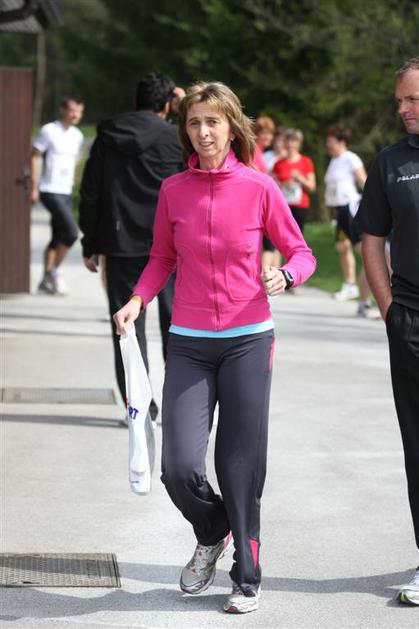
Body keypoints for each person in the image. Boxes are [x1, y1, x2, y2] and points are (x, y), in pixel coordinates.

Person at [113, 81, 316, 614]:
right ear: (185, 129)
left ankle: (247, 576)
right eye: (194, 122)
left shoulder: (259, 187)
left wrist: (286, 275)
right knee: (178, 465)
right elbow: (162, 257)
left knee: (239, 462)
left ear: (231, 128)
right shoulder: (173, 190)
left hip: (249, 339)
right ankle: (213, 528)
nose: (203, 132)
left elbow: (302, 252)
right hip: (189, 341)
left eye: (213, 122)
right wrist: (137, 299)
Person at [78, 72, 184, 420]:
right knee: (177, 324)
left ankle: (139, 406)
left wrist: (90, 242)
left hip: (121, 242)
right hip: (171, 246)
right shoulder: (175, 138)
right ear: (167, 105)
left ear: (135, 101)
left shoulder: (109, 135)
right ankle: (181, 404)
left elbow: (91, 190)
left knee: (127, 325)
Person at [354, 57, 419, 605]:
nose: (402, 109)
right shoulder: (390, 162)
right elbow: (371, 237)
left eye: (413, 99)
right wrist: (389, 308)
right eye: (399, 100)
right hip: (412, 317)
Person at [31, 95, 84, 295]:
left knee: (57, 236)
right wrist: (34, 187)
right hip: (49, 188)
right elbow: (34, 156)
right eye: (72, 110)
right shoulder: (49, 130)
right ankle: (54, 272)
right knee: (71, 232)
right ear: (62, 110)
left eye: (79, 111)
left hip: (66, 190)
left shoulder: (77, 135)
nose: (76, 115)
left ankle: (45, 280)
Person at [324, 124, 376, 317]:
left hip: (351, 208)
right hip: (339, 212)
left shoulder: (350, 158)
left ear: (341, 142)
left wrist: (375, 204)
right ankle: (351, 285)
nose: (328, 145)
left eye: (331, 141)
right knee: (343, 248)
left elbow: (364, 181)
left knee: (367, 253)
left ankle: (366, 298)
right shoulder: (334, 161)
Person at [273, 128, 316, 234]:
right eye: (288, 141)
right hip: (283, 206)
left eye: (294, 141)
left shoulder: (306, 161)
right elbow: (273, 186)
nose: (290, 144)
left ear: (299, 144)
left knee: (297, 235)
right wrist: (283, 184)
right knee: (283, 235)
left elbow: (312, 187)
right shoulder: (278, 163)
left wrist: (300, 178)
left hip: (300, 206)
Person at [251, 116, 281, 267]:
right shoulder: (252, 151)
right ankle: (266, 277)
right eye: (264, 133)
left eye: (271, 133)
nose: (268, 137)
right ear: (256, 133)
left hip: (261, 202)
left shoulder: (259, 152)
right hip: (256, 203)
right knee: (268, 244)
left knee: (270, 243)